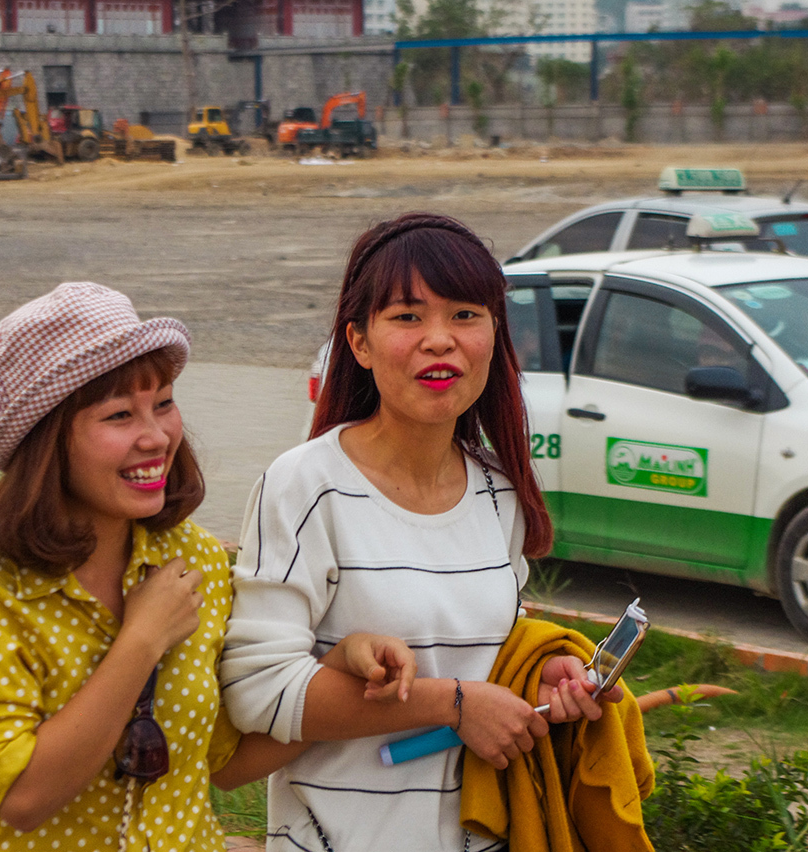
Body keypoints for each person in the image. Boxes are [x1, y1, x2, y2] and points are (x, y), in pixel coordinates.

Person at [0, 282, 416, 852]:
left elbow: (227, 762)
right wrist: (142, 640)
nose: (156, 437)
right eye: (118, 415)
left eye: (163, 403)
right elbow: (21, 799)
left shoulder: (196, 560)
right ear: (47, 442)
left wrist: (336, 668)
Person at [219, 213, 619, 852]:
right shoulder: (303, 485)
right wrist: (453, 704)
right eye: (408, 317)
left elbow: (483, 654)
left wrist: (535, 681)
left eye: (466, 315)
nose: (441, 340)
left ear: (495, 333)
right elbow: (257, 692)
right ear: (359, 343)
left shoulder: (498, 490)